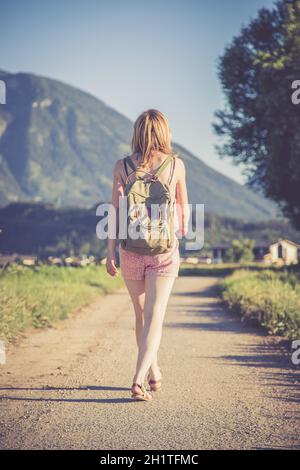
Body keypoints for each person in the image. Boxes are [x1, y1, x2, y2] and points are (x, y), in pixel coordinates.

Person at [106, 109, 189, 401]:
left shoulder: (122, 166)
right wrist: (174, 233)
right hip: (164, 252)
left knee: (141, 314)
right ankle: (139, 380)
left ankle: (152, 372)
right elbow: (185, 212)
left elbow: (114, 213)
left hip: (130, 250)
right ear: (164, 132)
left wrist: (110, 253)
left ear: (137, 132)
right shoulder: (175, 166)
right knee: (155, 316)